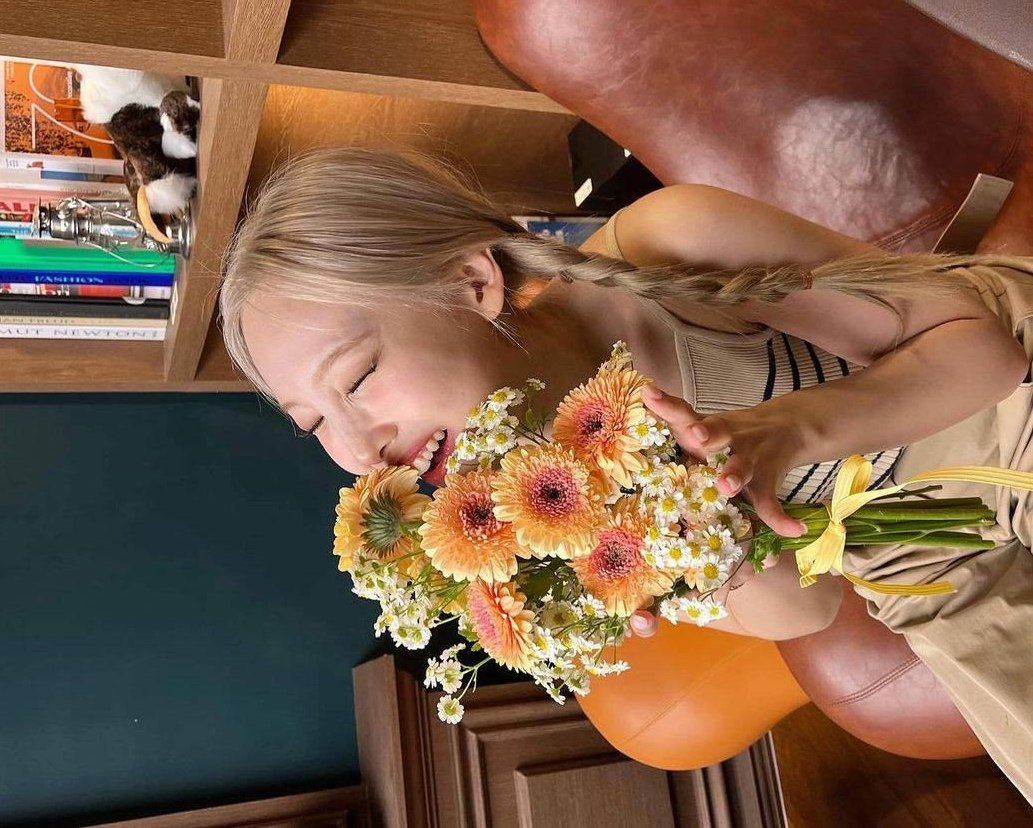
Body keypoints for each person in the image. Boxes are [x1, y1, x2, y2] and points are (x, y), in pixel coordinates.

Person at [219, 145, 1033, 802]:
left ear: (471, 282)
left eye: (358, 378)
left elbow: (981, 356)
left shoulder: (670, 246)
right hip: (928, 560)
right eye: (313, 424)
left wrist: (783, 432)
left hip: (998, 404)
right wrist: (700, 552)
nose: (360, 451)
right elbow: (806, 609)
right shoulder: (543, 502)